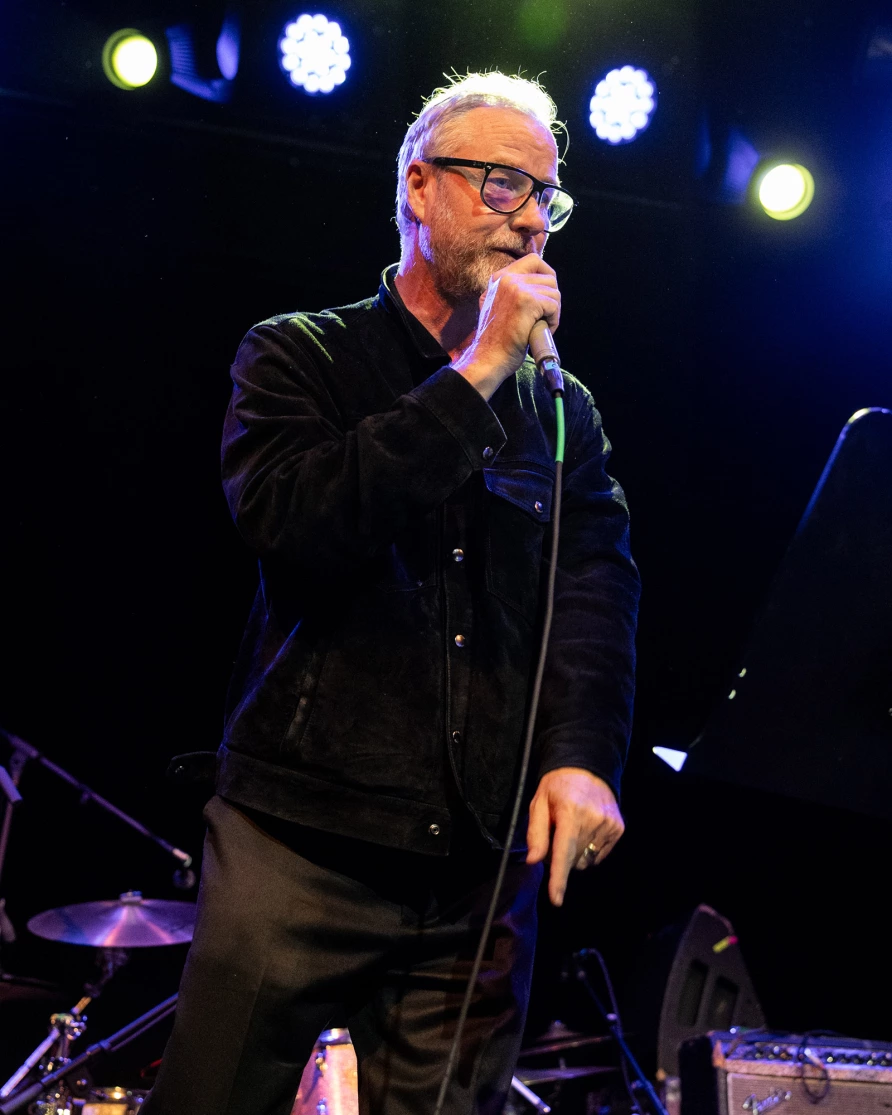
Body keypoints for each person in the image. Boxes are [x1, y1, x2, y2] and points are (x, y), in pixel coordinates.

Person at [144, 71, 640, 1115]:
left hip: (475, 870)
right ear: (418, 186)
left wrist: (581, 754)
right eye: (503, 184)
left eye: (546, 197)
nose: (531, 220)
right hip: (300, 839)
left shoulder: (563, 410)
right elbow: (298, 525)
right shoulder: (298, 354)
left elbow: (594, 584)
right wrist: (475, 371)